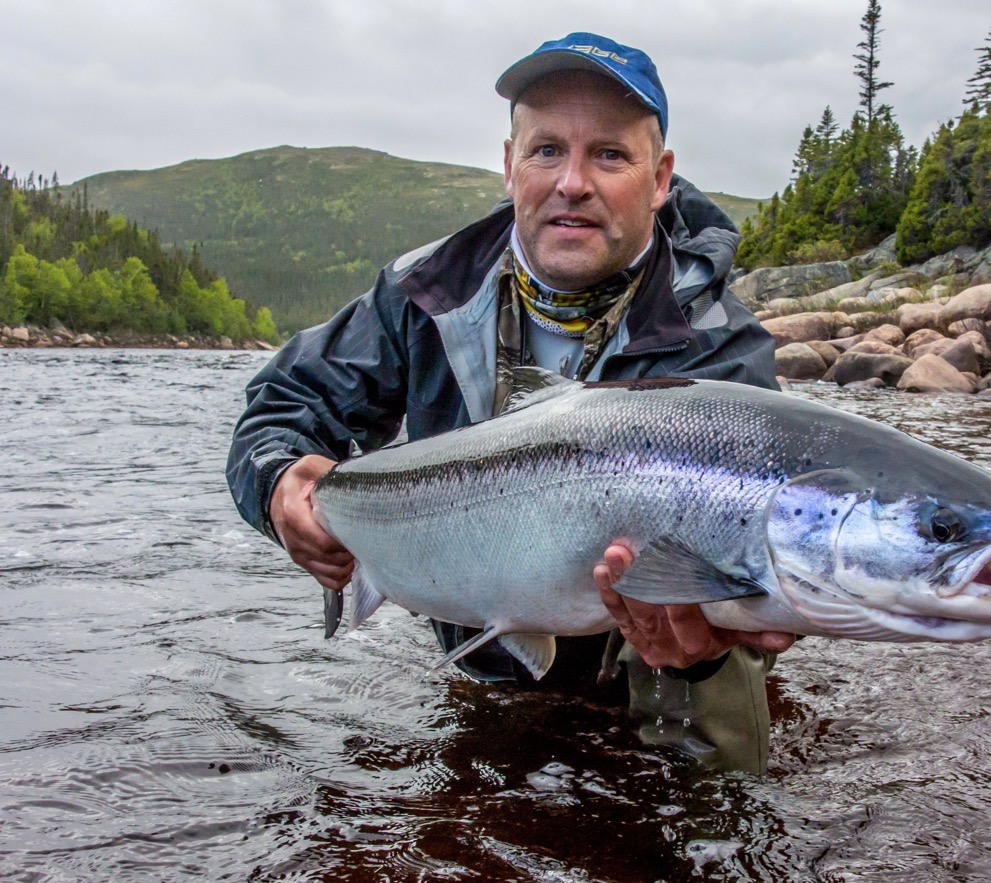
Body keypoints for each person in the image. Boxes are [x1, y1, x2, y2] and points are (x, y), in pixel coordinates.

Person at [227, 32, 794, 773]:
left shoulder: (720, 345)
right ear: (509, 166)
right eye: (548, 150)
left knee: (703, 797)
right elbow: (280, 405)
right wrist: (280, 487)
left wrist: (731, 633)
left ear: (660, 180)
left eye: (610, 156)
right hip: (487, 650)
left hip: (665, 650)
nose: (572, 182)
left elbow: (789, 547)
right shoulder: (425, 292)